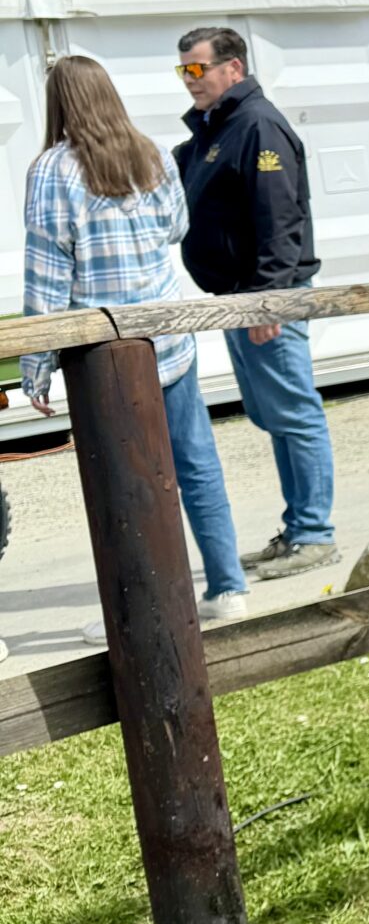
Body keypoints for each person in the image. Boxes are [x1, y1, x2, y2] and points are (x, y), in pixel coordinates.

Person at [22, 55, 249, 627]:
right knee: (195, 463)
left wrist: (36, 364)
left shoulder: (52, 169)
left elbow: (46, 275)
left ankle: (142, 607)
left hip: (102, 357)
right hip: (167, 341)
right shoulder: (151, 153)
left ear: (61, 102)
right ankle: (227, 587)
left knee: (122, 479)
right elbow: (176, 228)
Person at [174, 25, 338, 576]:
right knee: (273, 414)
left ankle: (315, 535)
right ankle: (298, 530)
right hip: (240, 298)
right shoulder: (218, 128)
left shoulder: (258, 125)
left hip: (268, 297)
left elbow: (280, 218)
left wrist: (270, 300)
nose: (190, 81)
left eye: (197, 69)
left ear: (233, 68)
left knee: (294, 413)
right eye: (184, 71)